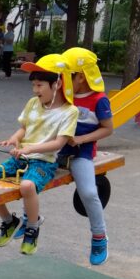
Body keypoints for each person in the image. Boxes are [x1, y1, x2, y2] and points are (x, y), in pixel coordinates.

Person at [0, 53, 78, 255]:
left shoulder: (70, 112)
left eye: (40, 85)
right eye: (33, 85)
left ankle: (32, 227)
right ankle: (9, 221)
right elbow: (24, 128)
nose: (35, 90)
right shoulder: (33, 103)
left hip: (44, 162)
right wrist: (15, 138)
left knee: (27, 185)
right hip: (21, 157)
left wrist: (29, 148)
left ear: (57, 83)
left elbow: (58, 143)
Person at [58, 46, 114, 265]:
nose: (62, 79)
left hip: (81, 152)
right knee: (29, 178)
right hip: (58, 149)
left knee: (89, 193)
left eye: (67, 74)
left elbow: (108, 129)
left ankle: (99, 237)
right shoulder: (64, 94)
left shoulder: (99, 100)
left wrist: (81, 139)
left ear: (80, 76)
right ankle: (27, 222)